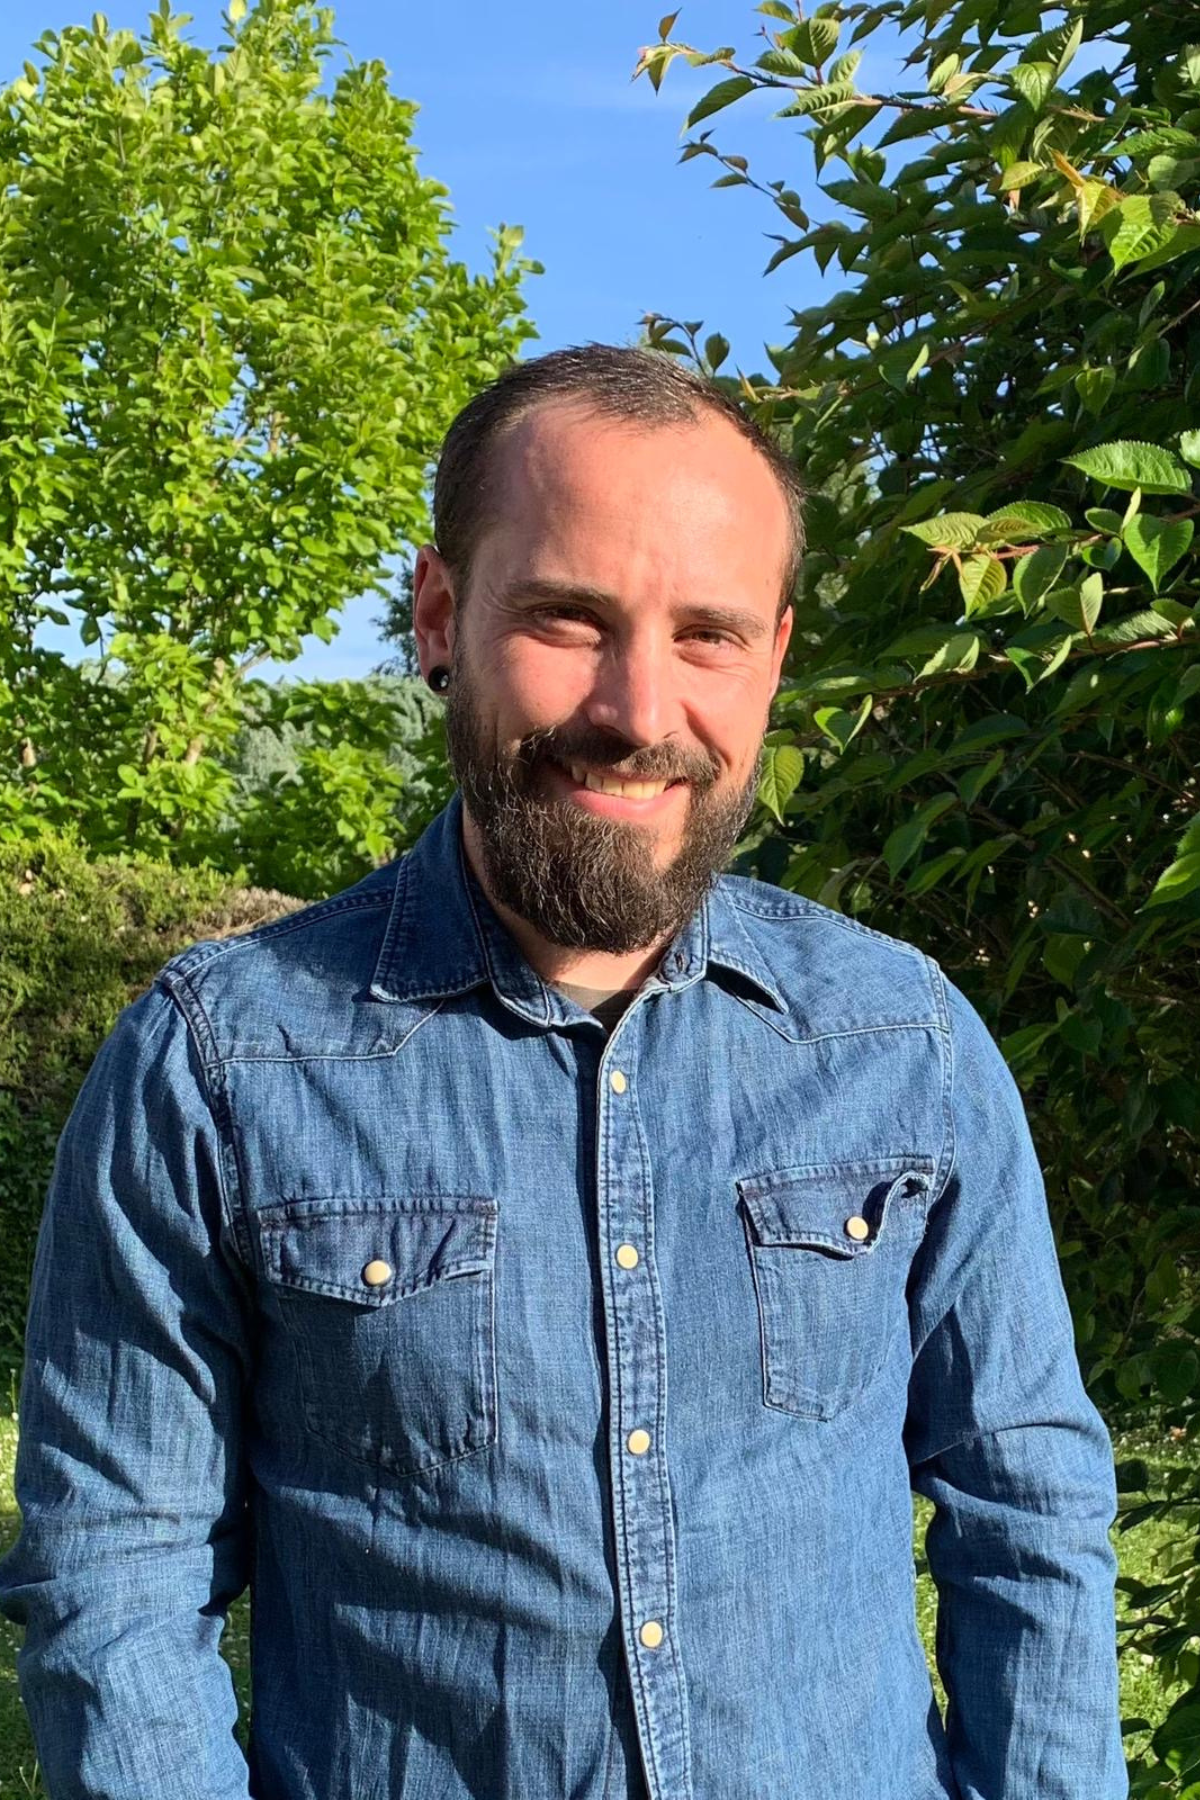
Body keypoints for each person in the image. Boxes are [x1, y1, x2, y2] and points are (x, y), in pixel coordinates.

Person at [0, 344, 1127, 1800]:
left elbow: (1027, 1512)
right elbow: (116, 1579)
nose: (638, 709)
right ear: (439, 618)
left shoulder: (903, 1045)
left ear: (774, 659)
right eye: (568, 620)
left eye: (706, 634)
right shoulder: (221, 1063)